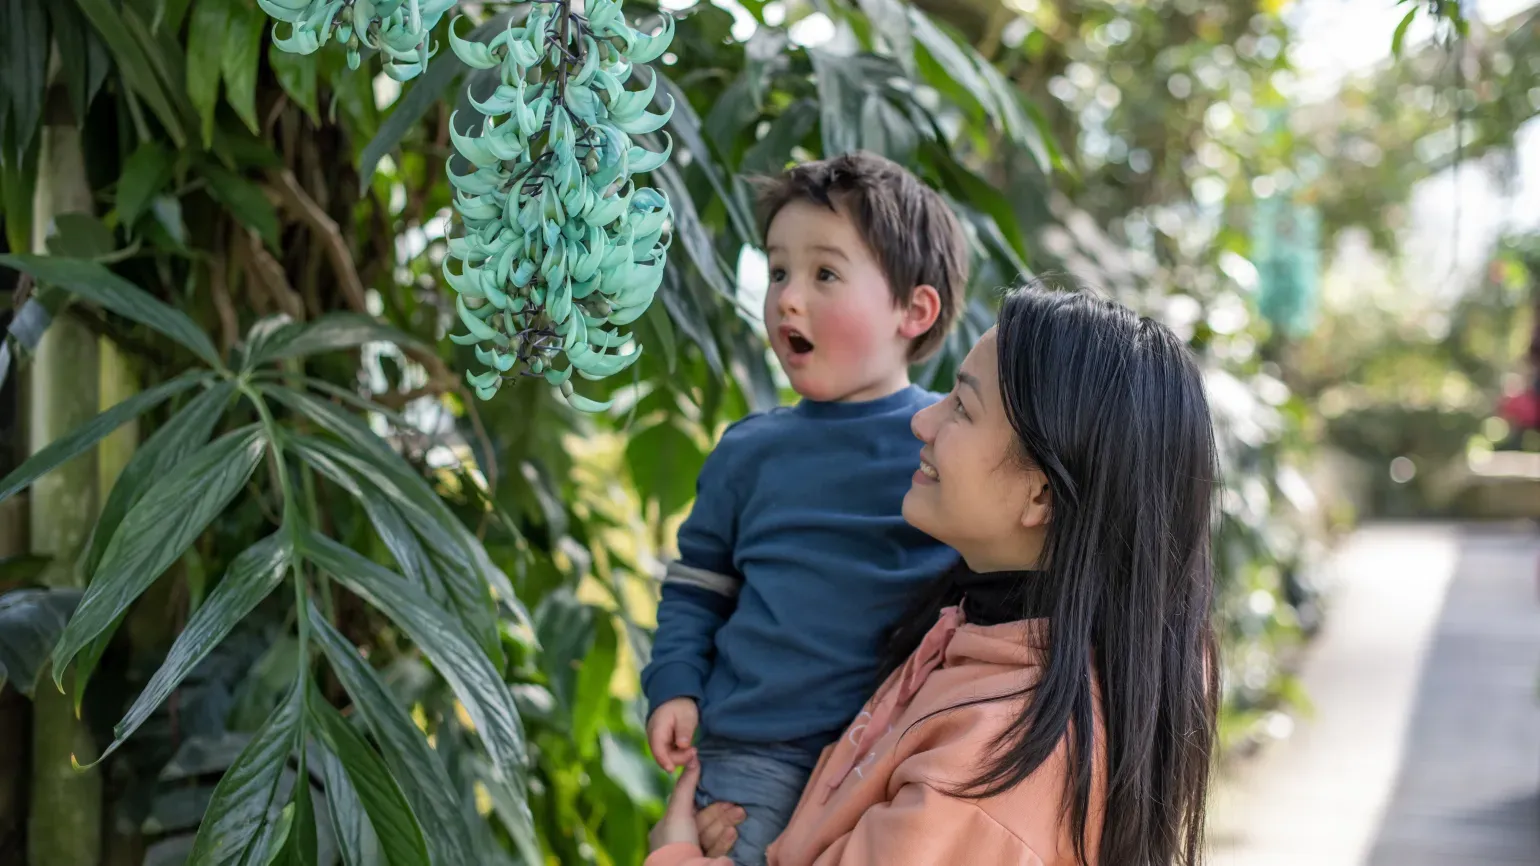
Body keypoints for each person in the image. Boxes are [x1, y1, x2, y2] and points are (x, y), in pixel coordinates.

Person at [646, 284, 1221, 866]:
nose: (921, 421)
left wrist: (675, 853)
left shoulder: (985, 778)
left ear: (1041, 493)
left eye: (962, 408)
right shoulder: (979, 631)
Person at [639, 152, 969, 865]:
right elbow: (698, 585)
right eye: (778, 270)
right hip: (751, 759)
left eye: (824, 274)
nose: (788, 298)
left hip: (883, 762)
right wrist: (673, 684)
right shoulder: (750, 452)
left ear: (914, 310)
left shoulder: (947, 448)